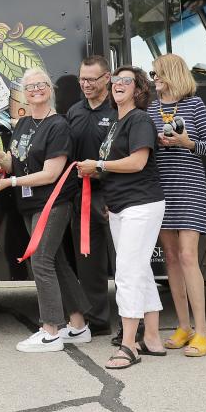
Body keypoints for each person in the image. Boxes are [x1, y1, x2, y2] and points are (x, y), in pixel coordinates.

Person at [0, 67, 92, 353]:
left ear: (51, 89)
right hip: (29, 204)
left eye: (41, 84)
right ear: (23, 92)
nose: (35, 89)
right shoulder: (22, 124)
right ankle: (78, 324)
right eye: (30, 86)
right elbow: (17, 162)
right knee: (56, 261)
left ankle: (50, 330)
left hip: (52, 203)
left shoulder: (58, 125)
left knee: (41, 261)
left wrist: (9, 181)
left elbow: (50, 173)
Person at [79, 67, 166, 370]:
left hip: (140, 204)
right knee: (139, 270)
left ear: (139, 89)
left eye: (125, 81)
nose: (118, 85)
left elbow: (137, 161)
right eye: (115, 81)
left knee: (127, 273)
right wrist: (96, 170)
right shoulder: (117, 122)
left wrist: (99, 163)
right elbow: (114, 165)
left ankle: (129, 345)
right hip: (120, 205)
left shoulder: (140, 119)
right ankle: (152, 337)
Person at [148, 54, 206, 357]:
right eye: (152, 74)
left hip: (189, 185)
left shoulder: (195, 104)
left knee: (189, 256)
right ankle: (183, 326)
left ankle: (203, 332)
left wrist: (186, 143)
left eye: (157, 73)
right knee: (172, 259)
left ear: (172, 73)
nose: (154, 79)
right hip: (160, 187)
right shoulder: (151, 108)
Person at [63, 55, 116, 337]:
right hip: (81, 199)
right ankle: (98, 320)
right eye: (82, 79)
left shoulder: (119, 110)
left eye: (92, 79)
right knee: (89, 262)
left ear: (107, 78)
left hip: (113, 196)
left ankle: (137, 323)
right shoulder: (74, 112)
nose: (85, 84)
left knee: (124, 264)